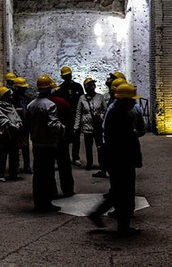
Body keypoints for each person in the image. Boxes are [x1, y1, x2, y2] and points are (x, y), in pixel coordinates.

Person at [88, 83, 143, 235]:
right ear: (125, 100)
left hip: (118, 159)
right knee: (124, 193)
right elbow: (124, 141)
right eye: (132, 100)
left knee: (119, 193)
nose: (134, 102)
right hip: (122, 160)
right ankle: (123, 226)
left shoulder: (117, 112)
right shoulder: (120, 115)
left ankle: (102, 214)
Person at [26, 75, 66, 213]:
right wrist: (62, 127)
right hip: (48, 145)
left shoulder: (31, 105)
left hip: (36, 144)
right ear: (49, 89)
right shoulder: (50, 105)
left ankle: (39, 202)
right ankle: (46, 203)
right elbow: (53, 126)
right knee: (48, 175)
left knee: (38, 176)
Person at [76, 78, 108, 176]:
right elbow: (78, 113)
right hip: (87, 127)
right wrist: (76, 126)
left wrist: (102, 116)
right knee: (88, 147)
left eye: (93, 85)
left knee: (100, 146)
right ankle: (89, 163)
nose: (92, 87)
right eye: (90, 85)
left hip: (98, 126)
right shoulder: (82, 98)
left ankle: (101, 164)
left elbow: (105, 110)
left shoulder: (100, 97)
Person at [49, 88, 75, 198]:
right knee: (64, 166)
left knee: (49, 167)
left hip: (48, 140)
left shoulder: (41, 103)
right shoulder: (62, 102)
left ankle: (52, 192)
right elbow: (70, 119)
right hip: (62, 139)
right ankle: (68, 190)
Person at [57, 66, 84, 166]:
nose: (67, 77)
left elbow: (82, 100)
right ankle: (65, 157)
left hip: (76, 115)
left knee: (76, 138)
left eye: (68, 75)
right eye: (66, 76)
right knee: (65, 138)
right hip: (65, 117)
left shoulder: (78, 87)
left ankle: (75, 157)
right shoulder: (60, 89)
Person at [0, 87, 22, 182]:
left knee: (14, 154)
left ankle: (13, 173)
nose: (11, 96)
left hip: (14, 133)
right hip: (6, 133)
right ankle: (1, 174)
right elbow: (2, 119)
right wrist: (11, 125)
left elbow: (16, 116)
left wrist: (18, 123)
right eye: (8, 95)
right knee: (3, 154)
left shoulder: (10, 105)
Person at [11, 77, 32, 174]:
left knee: (25, 147)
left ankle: (26, 166)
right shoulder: (12, 98)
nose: (24, 89)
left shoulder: (27, 98)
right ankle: (15, 168)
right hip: (16, 125)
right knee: (15, 147)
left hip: (26, 125)